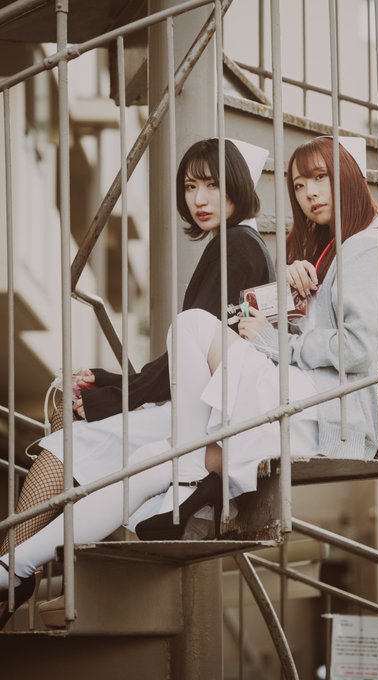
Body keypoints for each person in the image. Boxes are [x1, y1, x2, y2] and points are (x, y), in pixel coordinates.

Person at [0, 135, 378, 627]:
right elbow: (309, 333)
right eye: (299, 185)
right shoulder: (332, 250)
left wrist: (272, 340)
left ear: (348, 178)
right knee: (151, 461)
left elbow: (358, 350)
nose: (309, 194)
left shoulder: (366, 248)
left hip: (324, 411)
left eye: (320, 178)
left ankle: (188, 472)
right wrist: (286, 299)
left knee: (193, 327)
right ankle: (13, 567)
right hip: (306, 398)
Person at [0, 137, 275, 626]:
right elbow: (184, 359)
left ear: (237, 184)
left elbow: (188, 361)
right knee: (71, 432)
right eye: (190, 187)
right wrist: (111, 383)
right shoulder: (240, 244)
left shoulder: (235, 247)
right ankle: (27, 570)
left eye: (212, 185)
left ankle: (17, 568)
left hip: (204, 416)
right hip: (205, 406)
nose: (199, 199)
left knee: (67, 442)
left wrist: (112, 397)